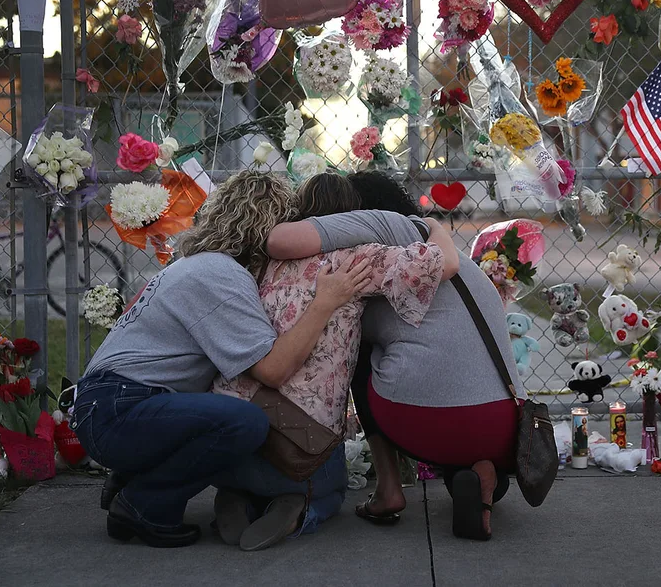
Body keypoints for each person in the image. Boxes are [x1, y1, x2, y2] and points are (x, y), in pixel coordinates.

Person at [72, 171, 373, 549]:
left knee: (224, 413)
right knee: (245, 422)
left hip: (108, 406)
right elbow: (273, 370)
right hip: (118, 411)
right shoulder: (221, 275)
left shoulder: (195, 265)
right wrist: (325, 303)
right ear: (268, 229)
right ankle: (144, 504)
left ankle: (136, 482)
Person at [266, 171, 526, 541]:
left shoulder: (377, 243)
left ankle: (389, 488)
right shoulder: (440, 251)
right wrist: (438, 227)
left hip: (420, 415)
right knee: (483, 472)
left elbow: (278, 241)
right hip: (503, 423)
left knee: (360, 347)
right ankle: (479, 471)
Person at [211, 173, 457, 550]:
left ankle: (237, 495)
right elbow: (442, 264)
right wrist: (434, 226)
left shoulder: (259, 260)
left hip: (230, 416)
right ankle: (301, 508)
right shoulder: (356, 259)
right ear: (351, 216)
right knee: (329, 489)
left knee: (247, 466)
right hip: (298, 438)